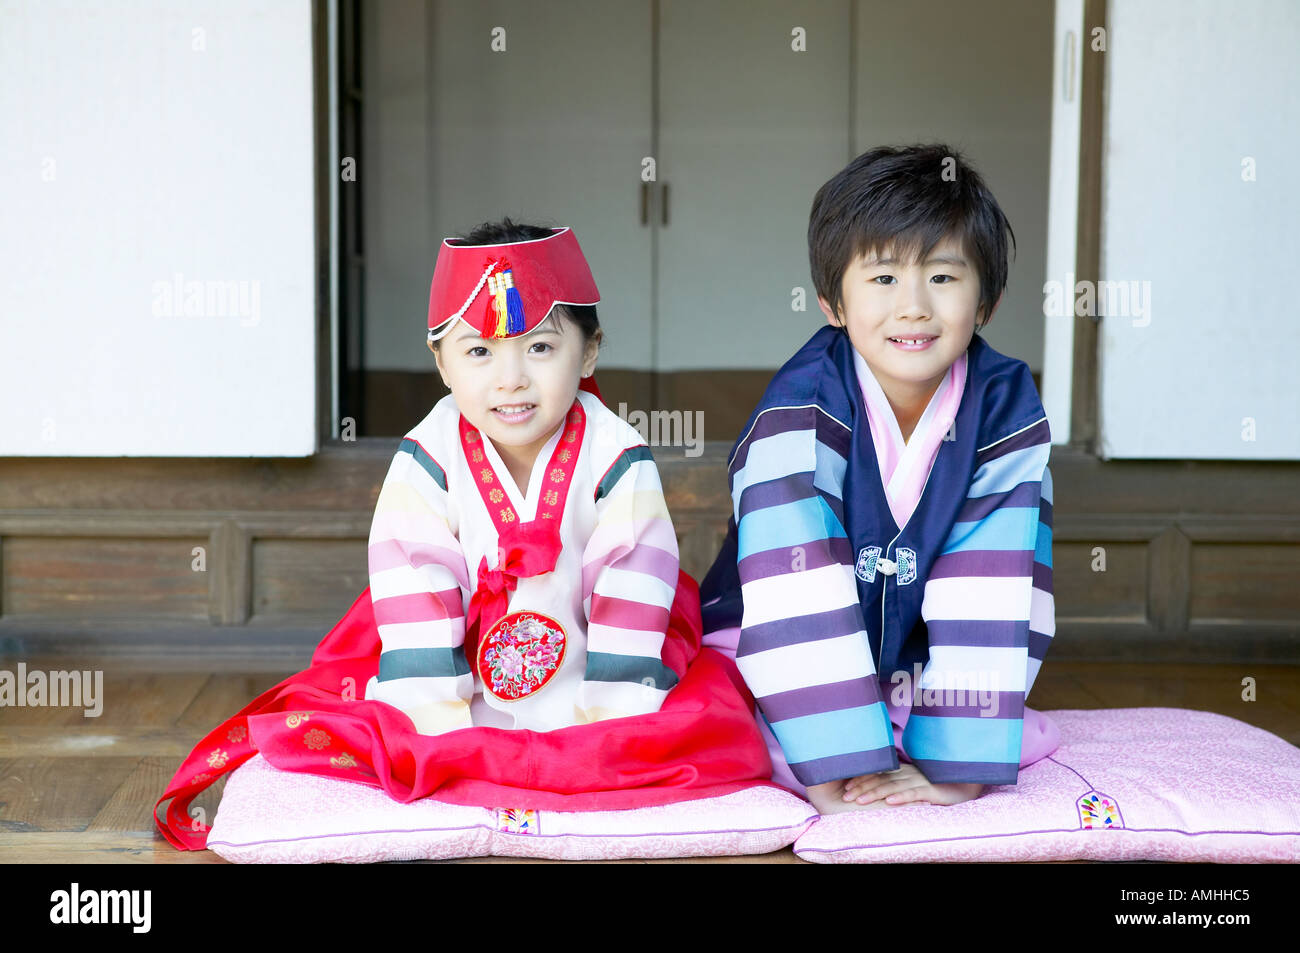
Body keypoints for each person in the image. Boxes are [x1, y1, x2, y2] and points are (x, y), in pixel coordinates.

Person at [155, 219, 770, 851]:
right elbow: (415, 583)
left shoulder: (618, 454)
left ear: (588, 352)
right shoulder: (429, 455)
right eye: (479, 352)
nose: (511, 380)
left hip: (597, 673)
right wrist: (433, 727)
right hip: (461, 678)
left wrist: (612, 726)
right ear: (441, 361)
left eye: (541, 348)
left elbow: (633, 586)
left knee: (709, 731)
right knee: (380, 732)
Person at [698, 144, 1060, 817]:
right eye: (884, 278)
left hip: (905, 659)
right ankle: (835, 738)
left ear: (988, 301)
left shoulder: (1004, 407)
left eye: (945, 278)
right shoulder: (799, 410)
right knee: (727, 726)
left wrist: (955, 769)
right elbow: (792, 584)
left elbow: (995, 579)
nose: (914, 307)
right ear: (833, 301)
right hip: (773, 641)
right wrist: (834, 764)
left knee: (995, 735)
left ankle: (914, 735)